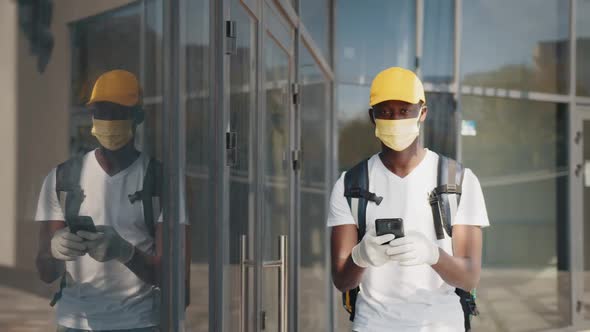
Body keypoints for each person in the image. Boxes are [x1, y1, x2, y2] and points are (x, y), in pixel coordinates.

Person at [328, 67, 490, 332]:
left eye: (404, 111)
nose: (395, 119)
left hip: (442, 325)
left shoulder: (459, 181)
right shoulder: (350, 185)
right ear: (373, 117)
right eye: (385, 112)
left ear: (422, 113)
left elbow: (470, 276)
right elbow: (341, 280)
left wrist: (433, 254)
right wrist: (361, 256)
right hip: (372, 325)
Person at [34, 70, 189, 332]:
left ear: (138, 117)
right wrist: (55, 250)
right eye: (100, 112)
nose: (107, 121)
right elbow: (45, 271)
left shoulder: (163, 182)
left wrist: (125, 252)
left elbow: (176, 282)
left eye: (117, 113)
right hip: (74, 323)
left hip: (139, 323)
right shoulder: (61, 178)